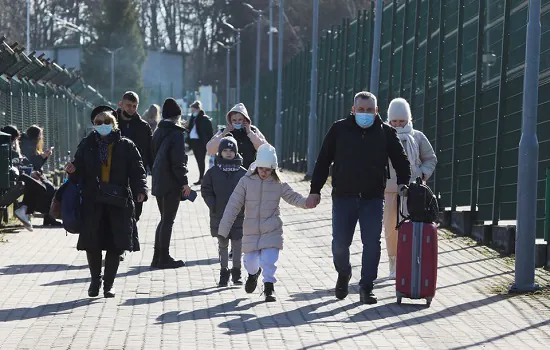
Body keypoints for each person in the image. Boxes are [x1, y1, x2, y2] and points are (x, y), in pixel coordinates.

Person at [306, 91, 411, 305]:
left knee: (372, 243)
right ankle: (344, 273)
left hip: (372, 198)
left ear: (376, 111)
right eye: (361, 110)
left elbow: (401, 160)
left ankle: (366, 287)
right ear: (353, 110)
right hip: (343, 197)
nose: (365, 114)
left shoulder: (386, 133)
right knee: (340, 245)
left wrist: (404, 183)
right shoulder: (339, 130)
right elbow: (323, 160)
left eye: (369, 110)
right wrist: (315, 190)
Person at [64, 106, 147, 298]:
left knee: (115, 244)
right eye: (99, 123)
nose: (103, 126)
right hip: (93, 200)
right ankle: (95, 280)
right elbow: (79, 169)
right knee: (92, 243)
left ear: (114, 124)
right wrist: (72, 170)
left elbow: (137, 170)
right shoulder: (87, 144)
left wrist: (141, 189)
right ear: (94, 125)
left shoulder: (126, 145)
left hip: (119, 201)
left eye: (107, 122)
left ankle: (109, 284)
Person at [218, 144, 314, 302]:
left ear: (274, 169)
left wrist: (306, 203)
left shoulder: (279, 183)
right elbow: (233, 205)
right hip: (251, 230)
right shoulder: (246, 181)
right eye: (261, 168)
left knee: (269, 259)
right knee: (250, 261)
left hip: (272, 229)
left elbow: (293, 197)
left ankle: (269, 287)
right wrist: (224, 228)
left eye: (268, 170)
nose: (264, 172)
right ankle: (253, 274)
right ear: (256, 166)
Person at [383, 98, 437, 279]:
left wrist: (421, 175)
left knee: (413, 226)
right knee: (391, 228)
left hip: (413, 191)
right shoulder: (383, 135)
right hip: (389, 191)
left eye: (401, 121)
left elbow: (430, 158)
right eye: (394, 121)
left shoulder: (417, 137)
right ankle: (394, 263)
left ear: (408, 119)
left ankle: (412, 262)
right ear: (389, 120)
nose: (398, 124)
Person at [151, 98, 191, 269]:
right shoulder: (176, 134)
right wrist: (184, 183)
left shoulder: (158, 132)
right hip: (171, 183)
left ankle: (157, 256)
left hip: (159, 181)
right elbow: (178, 163)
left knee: (163, 219)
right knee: (168, 220)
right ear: (177, 116)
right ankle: (164, 257)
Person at [201, 136, 246, 287]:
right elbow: (206, 189)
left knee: (238, 245)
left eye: (231, 150)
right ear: (220, 152)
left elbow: (249, 192)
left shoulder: (243, 173)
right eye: (225, 150)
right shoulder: (213, 172)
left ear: (236, 152)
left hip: (239, 215)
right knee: (223, 244)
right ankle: (223, 272)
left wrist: (245, 207)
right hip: (219, 214)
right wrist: (212, 204)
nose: (228, 153)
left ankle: (237, 272)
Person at [116, 91, 153, 222]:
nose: (131, 109)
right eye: (128, 105)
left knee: (135, 216)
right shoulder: (111, 123)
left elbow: (150, 152)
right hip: (114, 177)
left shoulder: (143, 127)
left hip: (136, 177)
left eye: (134, 106)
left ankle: (131, 241)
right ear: (121, 104)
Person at [15, 125, 61, 229]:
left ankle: (49, 217)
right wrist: (43, 156)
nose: (41, 137)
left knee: (51, 188)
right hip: (29, 174)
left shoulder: (31, 145)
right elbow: (32, 163)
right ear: (36, 136)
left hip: (33, 173)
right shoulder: (27, 145)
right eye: (40, 135)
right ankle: (46, 216)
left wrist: (45, 156)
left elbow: (36, 164)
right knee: (47, 188)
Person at [206, 103, 267, 170]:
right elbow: (210, 150)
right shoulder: (224, 131)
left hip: (248, 172)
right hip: (228, 173)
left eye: (240, 119)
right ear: (230, 121)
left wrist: (250, 133)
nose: (237, 122)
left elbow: (264, 149)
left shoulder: (253, 130)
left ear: (245, 119)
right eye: (234, 120)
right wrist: (223, 134)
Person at [187, 101, 214, 185]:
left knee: (201, 161)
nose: (192, 112)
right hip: (194, 142)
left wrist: (208, 142)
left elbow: (209, 132)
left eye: (193, 110)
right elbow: (190, 129)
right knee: (198, 161)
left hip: (201, 143)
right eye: (191, 110)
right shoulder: (192, 118)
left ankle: (202, 178)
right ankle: (201, 178)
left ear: (198, 109)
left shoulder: (204, 118)